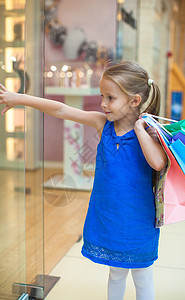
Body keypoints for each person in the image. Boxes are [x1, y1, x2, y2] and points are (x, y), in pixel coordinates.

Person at [0, 61, 167, 300]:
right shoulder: (103, 125)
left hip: (138, 220)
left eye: (110, 98)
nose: (103, 103)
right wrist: (20, 98)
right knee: (116, 275)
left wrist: (141, 130)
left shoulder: (148, 133)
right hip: (109, 217)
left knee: (142, 277)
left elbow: (158, 163)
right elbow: (61, 110)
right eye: (102, 96)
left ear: (135, 101)